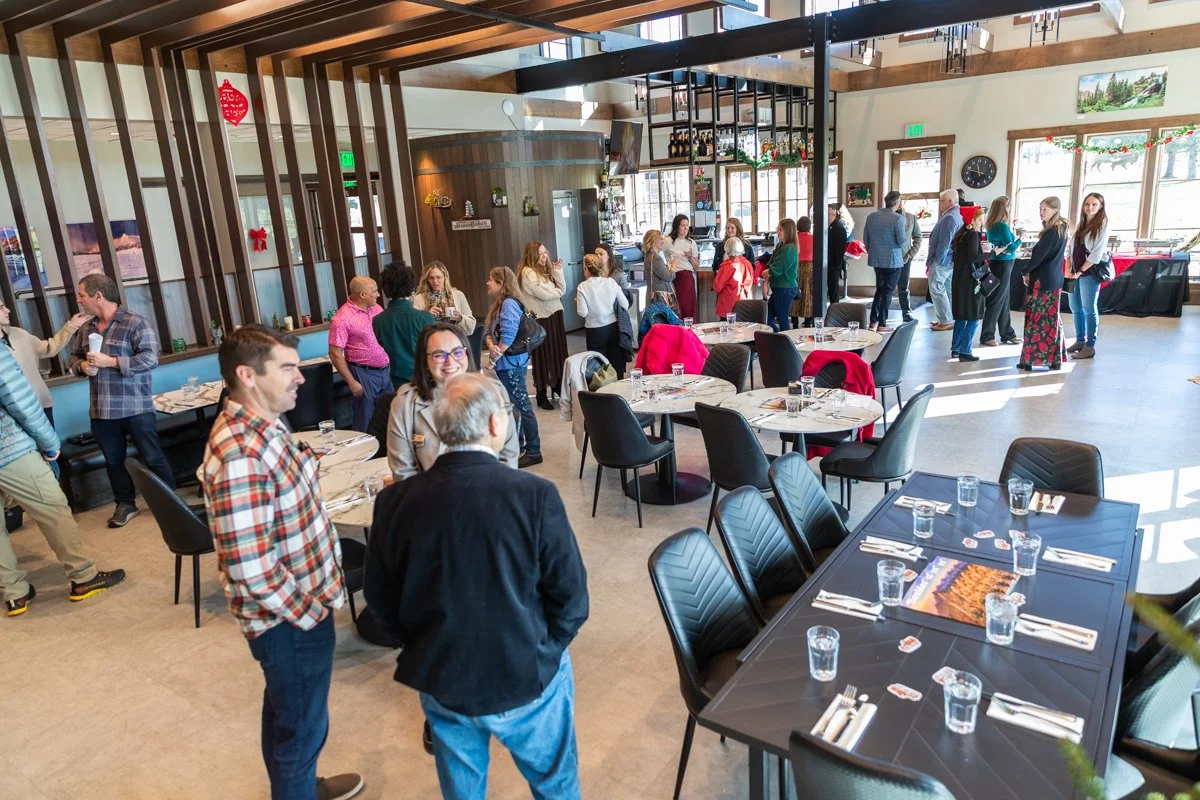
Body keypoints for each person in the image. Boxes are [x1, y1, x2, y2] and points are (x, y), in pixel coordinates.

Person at [364, 373, 589, 800]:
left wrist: (423, 643)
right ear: (493, 425)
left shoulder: (394, 502)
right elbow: (572, 598)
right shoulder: (534, 494)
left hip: (443, 676)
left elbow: (380, 600)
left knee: (462, 793)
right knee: (555, 786)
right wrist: (545, 650)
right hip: (526, 673)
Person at [200, 324, 363, 800]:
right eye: (288, 368)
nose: (301, 378)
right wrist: (310, 610)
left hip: (297, 610)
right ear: (248, 375)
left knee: (287, 716)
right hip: (289, 621)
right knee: (302, 731)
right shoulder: (239, 453)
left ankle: (301, 787)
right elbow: (251, 567)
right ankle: (297, 787)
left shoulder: (266, 421)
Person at [1, 345, 125, 616]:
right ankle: (84, 577)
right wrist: (49, 443)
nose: (6, 309)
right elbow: (21, 402)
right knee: (54, 509)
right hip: (9, 451)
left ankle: (15, 593)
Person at [68, 273, 174, 529]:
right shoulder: (86, 328)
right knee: (113, 461)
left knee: (153, 456)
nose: (79, 300)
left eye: (81, 295)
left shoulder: (136, 323)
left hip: (135, 407)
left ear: (98, 296)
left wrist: (112, 362)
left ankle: (171, 503)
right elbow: (71, 360)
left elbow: (150, 359)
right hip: (101, 410)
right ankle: (125, 504)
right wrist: (82, 366)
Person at [387, 322, 519, 481]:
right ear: (425, 360)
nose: (449, 362)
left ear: (467, 353)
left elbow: (508, 455)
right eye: (438, 355)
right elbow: (403, 472)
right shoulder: (404, 404)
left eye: (457, 352)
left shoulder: (494, 391)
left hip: (490, 495)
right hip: (430, 499)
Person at [0, 299, 90, 426]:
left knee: (52, 445)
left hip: (41, 405)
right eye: (1, 307)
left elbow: (49, 348)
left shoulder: (19, 333)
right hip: (11, 416)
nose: (7, 310)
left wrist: (71, 326)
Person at [485, 267, 541, 468]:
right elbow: (488, 330)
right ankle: (520, 445)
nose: (487, 283)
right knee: (515, 406)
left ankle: (534, 450)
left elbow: (507, 337)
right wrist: (491, 345)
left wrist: (493, 357)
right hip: (506, 363)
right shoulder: (499, 305)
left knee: (523, 406)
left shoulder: (508, 304)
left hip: (511, 364)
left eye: (491, 280)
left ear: (501, 283)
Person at [327, 276, 392, 432]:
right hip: (363, 373)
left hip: (386, 370)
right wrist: (351, 382)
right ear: (362, 294)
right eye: (374, 291)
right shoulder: (342, 318)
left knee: (391, 415)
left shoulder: (377, 308)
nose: (378, 294)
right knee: (365, 419)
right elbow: (335, 353)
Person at [1017, 197, 1070, 372]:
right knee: (1052, 320)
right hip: (1054, 280)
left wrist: (1024, 270)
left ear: (1055, 209)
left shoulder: (1051, 232)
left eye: (1045, 209)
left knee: (1036, 321)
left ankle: (1030, 360)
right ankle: (1055, 360)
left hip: (1042, 281)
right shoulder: (1062, 228)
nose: (1041, 212)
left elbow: (1038, 259)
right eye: (1040, 209)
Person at [516, 241, 567, 411]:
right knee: (543, 356)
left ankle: (557, 385)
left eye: (546, 252)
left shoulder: (546, 271)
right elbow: (544, 294)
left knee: (557, 353)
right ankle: (541, 392)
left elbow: (563, 289)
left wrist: (558, 271)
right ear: (532, 255)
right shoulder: (527, 272)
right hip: (541, 319)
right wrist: (556, 291)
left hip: (555, 315)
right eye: (541, 253)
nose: (545, 256)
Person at [374, 261, 435, 390]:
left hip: (395, 381)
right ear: (411, 286)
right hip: (423, 379)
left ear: (385, 289)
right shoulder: (425, 318)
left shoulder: (378, 321)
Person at [1066, 192, 1110, 361]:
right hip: (1074, 271)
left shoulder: (1102, 225)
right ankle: (1079, 340)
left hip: (1089, 273)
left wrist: (1080, 271)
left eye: (1094, 205)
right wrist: (1069, 267)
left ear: (1100, 207)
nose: (1089, 207)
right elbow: (1071, 246)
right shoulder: (1081, 223)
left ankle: (1090, 346)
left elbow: (1096, 254)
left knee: (1088, 308)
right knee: (1075, 308)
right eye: (1087, 204)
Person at [575, 253, 629, 378]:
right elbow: (625, 305)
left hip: (594, 329)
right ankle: (619, 388)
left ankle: (602, 392)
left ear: (586, 269)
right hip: (612, 326)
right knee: (615, 361)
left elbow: (582, 312)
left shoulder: (582, 287)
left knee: (598, 365)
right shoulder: (610, 282)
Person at [862, 191, 908, 333]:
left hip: (877, 259)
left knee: (879, 290)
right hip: (893, 261)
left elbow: (866, 239)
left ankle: (873, 322)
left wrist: (874, 251)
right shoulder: (898, 219)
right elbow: (901, 242)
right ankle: (882, 324)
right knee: (887, 292)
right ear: (897, 203)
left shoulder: (872, 217)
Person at [981, 196, 1023, 347]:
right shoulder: (1002, 226)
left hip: (998, 263)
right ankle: (987, 335)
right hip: (1004, 264)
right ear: (1004, 208)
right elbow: (1011, 247)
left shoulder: (991, 225)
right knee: (998, 299)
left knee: (1004, 299)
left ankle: (1007, 333)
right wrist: (1020, 238)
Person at [950, 207, 989, 363]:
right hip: (971, 281)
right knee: (974, 316)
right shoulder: (973, 235)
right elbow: (974, 257)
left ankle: (956, 348)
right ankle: (965, 351)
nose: (982, 223)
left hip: (959, 280)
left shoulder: (961, 235)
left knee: (961, 316)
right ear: (972, 220)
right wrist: (993, 253)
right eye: (979, 219)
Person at [926, 188, 962, 332]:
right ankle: (946, 317)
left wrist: (937, 261)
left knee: (936, 288)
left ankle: (946, 320)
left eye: (941, 200)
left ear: (950, 201)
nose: (940, 203)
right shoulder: (955, 215)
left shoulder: (950, 218)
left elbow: (944, 243)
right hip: (949, 260)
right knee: (946, 289)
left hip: (943, 260)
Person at [412, 261, 477, 337]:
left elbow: (471, 327)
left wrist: (460, 318)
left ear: (445, 277)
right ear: (427, 279)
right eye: (431, 278)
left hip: (455, 339)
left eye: (438, 277)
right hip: (431, 340)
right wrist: (427, 315)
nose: (435, 281)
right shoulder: (419, 299)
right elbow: (414, 328)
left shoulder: (458, 295)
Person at [765, 218, 799, 332]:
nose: (778, 232)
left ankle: (787, 344)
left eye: (781, 229)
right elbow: (771, 263)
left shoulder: (790, 248)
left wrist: (766, 273)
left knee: (782, 320)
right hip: (778, 288)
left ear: (788, 231)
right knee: (767, 320)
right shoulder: (781, 245)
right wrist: (766, 281)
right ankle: (778, 340)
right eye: (778, 228)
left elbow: (776, 269)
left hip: (785, 288)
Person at [663, 214, 700, 319]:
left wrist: (690, 257)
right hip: (674, 277)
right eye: (682, 225)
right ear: (676, 226)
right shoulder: (667, 241)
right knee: (677, 309)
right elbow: (655, 250)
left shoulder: (691, 243)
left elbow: (696, 266)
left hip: (687, 277)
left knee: (688, 308)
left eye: (687, 225)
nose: (685, 228)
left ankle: (689, 331)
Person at [713, 237, 754, 319]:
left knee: (728, 330)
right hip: (745, 302)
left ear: (727, 250)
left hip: (729, 305)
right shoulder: (747, 264)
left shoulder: (726, 266)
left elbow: (717, 287)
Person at [896, 197, 922, 324]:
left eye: (900, 202)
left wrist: (911, 254)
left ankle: (906, 312)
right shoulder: (886, 217)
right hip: (888, 259)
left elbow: (918, 237)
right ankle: (880, 316)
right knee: (885, 288)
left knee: (903, 287)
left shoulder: (911, 218)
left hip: (905, 257)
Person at [641, 228, 677, 309]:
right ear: (654, 241)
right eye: (661, 239)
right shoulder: (656, 258)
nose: (663, 241)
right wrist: (673, 267)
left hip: (654, 296)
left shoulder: (648, 256)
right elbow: (668, 277)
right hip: (660, 297)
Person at [826, 203, 852, 306]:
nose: (826, 216)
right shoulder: (829, 227)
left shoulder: (838, 228)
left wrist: (835, 265)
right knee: (830, 288)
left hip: (833, 264)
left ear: (834, 214)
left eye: (828, 214)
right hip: (828, 263)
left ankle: (834, 310)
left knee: (833, 289)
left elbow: (840, 249)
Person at [793, 217, 815, 327]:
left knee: (794, 294)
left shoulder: (793, 239)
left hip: (795, 268)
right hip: (809, 269)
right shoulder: (813, 239)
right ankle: (807, 322)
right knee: (808, 295)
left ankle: (795, 322)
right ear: (809, 226)